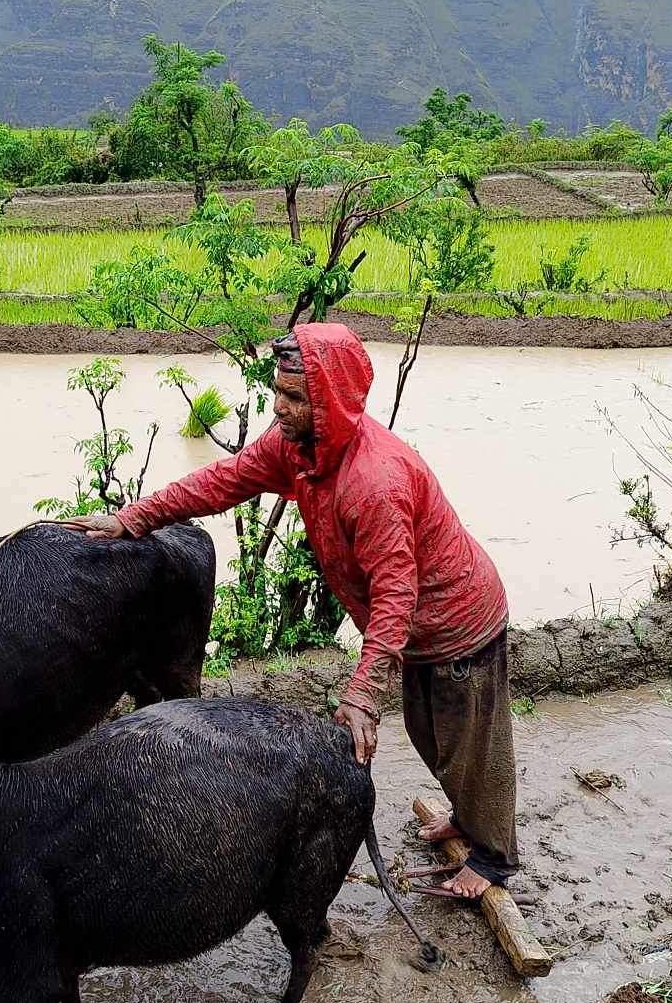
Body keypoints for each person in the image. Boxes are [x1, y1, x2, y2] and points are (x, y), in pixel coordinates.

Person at [64, 323, 516, 902]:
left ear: (331, 400)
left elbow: (395, 594)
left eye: (295, 396)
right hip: (416, 630)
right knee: (432, 735)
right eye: (278, 390)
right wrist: (135, 516)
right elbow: (221, 481)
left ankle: (494, 859)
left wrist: (361, 696)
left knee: (470, 741)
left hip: (457, 621)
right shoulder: (297, 451)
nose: (279, 406)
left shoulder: (373, 481)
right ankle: (469, 818)